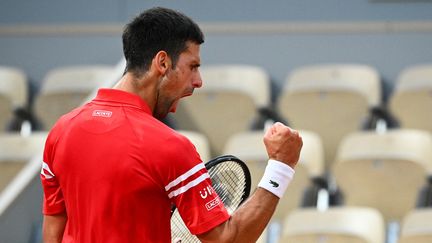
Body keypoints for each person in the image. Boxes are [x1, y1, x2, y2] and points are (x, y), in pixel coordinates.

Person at [40, 7, 303, 243]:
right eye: (193, 66)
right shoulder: (170, 146)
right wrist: (281, 166)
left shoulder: (62, 131)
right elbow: (228, 240)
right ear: (162, 63)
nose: (199, 81)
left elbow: (54, 232)